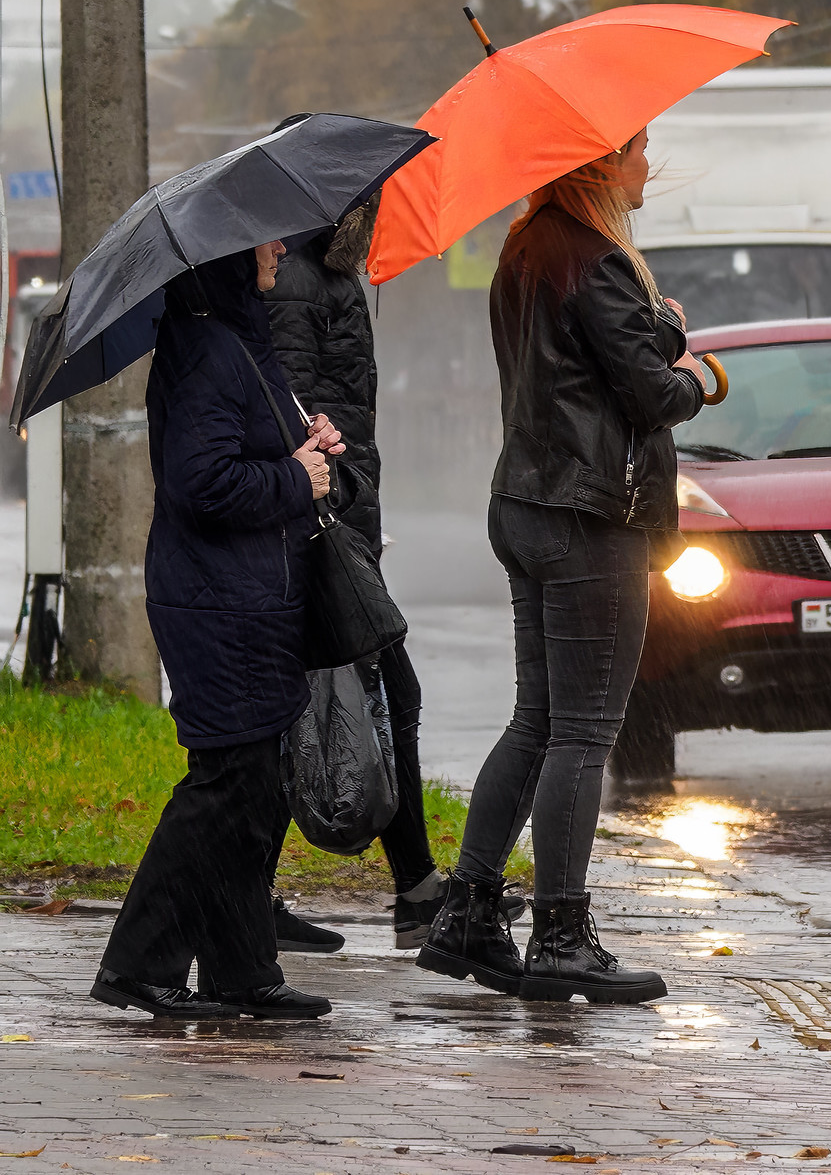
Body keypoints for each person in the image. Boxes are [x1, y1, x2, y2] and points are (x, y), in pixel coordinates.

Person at [419, 130, 707, 1005]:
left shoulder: (527, 248)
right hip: (590, 515)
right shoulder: (595, 258)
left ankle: (467, 910)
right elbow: (651, 395)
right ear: (598, 164)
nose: (649, 166)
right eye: (639, 152)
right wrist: (703, 373)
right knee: (583, 731)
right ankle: (560, 934)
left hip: (529, 500)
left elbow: (580, 356)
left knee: (538, 720)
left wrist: (653, 327)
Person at [92, 242, 344, 1020]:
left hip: (251, 597)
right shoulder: (206, 347)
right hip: (217, 602)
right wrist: (294, 477)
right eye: (263, 241)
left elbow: (265, 453)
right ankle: (138, 962)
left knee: (254, 787)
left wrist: (319, 449)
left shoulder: (238, 338)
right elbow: (202, 484)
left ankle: (241, 969)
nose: (277, 250)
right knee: (225, 784)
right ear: (226, 258)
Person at [264, 189, 479, 951]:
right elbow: (287, 411)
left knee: (322, 706)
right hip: (321, 526)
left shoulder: (328, 274)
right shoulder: (296, 280)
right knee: (369, 697)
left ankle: (411, 887)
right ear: (337, 205)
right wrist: (332, 519)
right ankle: (413, 891)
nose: (381, 218)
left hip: (344, 520)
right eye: (372, 204)